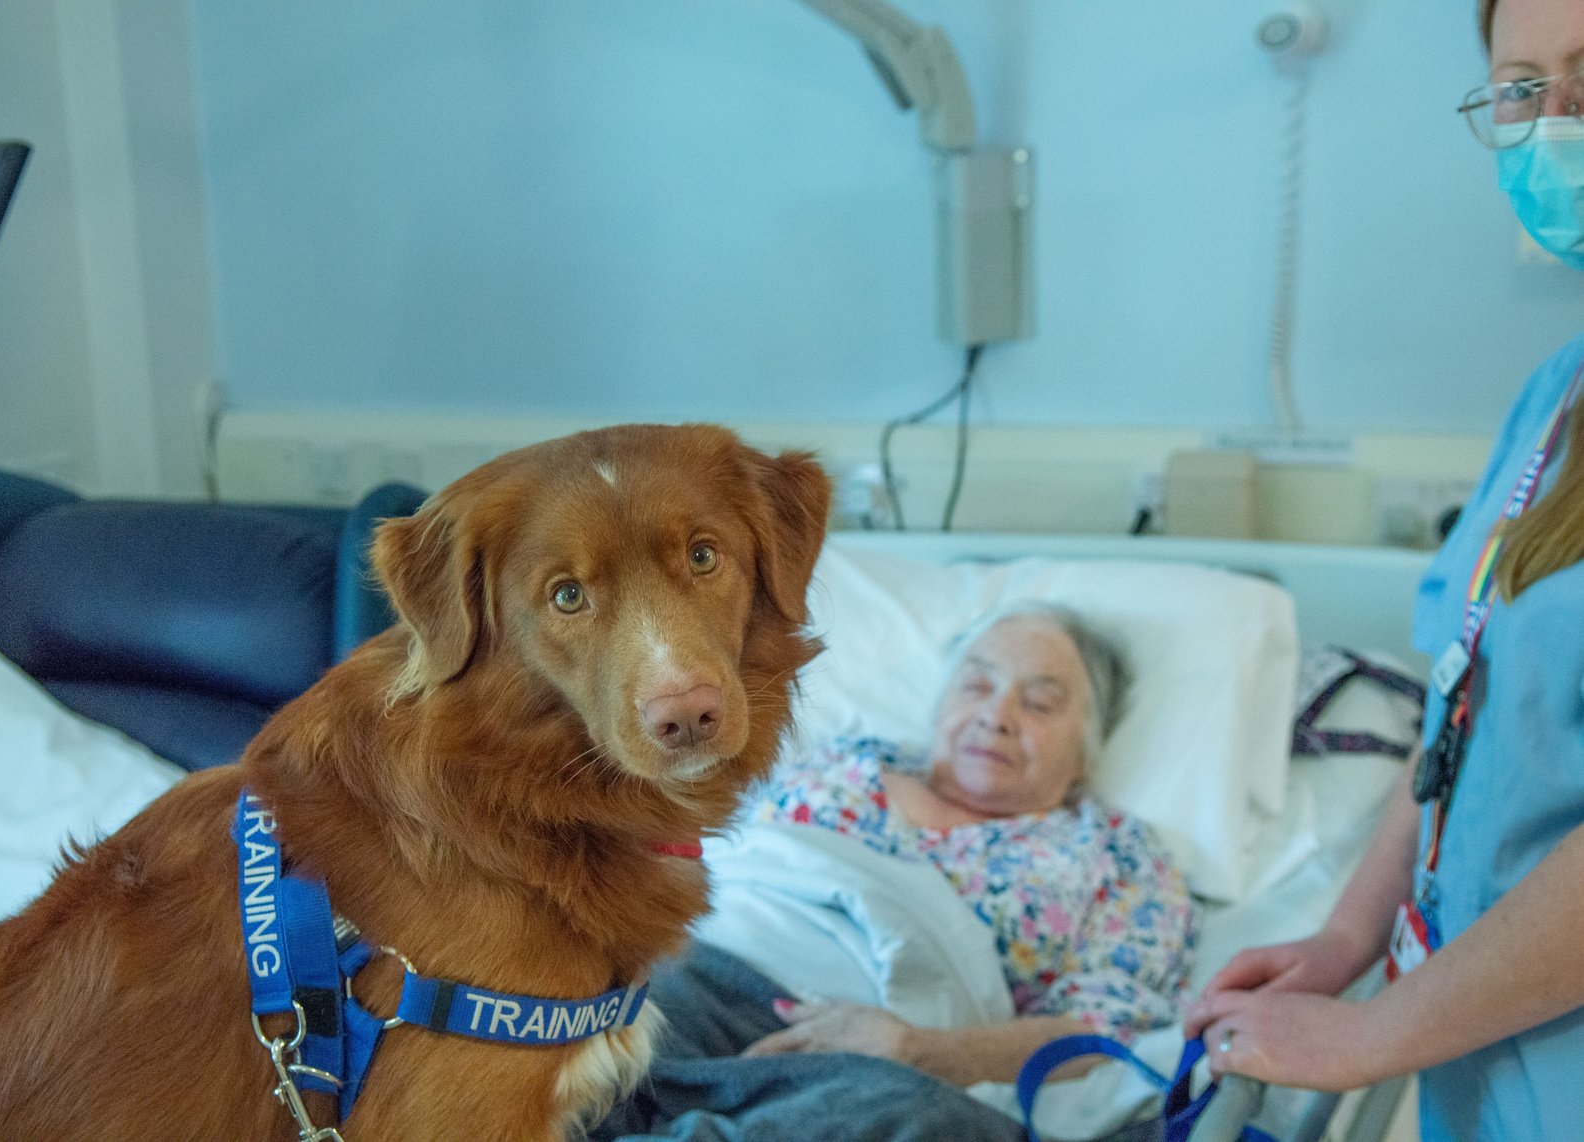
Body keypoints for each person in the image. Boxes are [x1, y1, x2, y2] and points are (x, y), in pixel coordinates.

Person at [1184, 2, 1584, 1137]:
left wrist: (1369, 1035)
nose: (1553, 123)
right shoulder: (1557, 390)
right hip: (1484, 1047)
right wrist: (1347, 939)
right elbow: (1465, 720)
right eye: (1519, 88)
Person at [594, 605, 1196, 1141]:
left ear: (1087, 747)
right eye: (977, 685)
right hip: (702, 968)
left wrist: (920, 1051)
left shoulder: (1114, 854)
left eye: (1039, 702)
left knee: (934, 1125)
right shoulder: (837, 760)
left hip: (878, 1065)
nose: (996, 715)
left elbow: (1104, 1032)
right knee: (596, 1058)